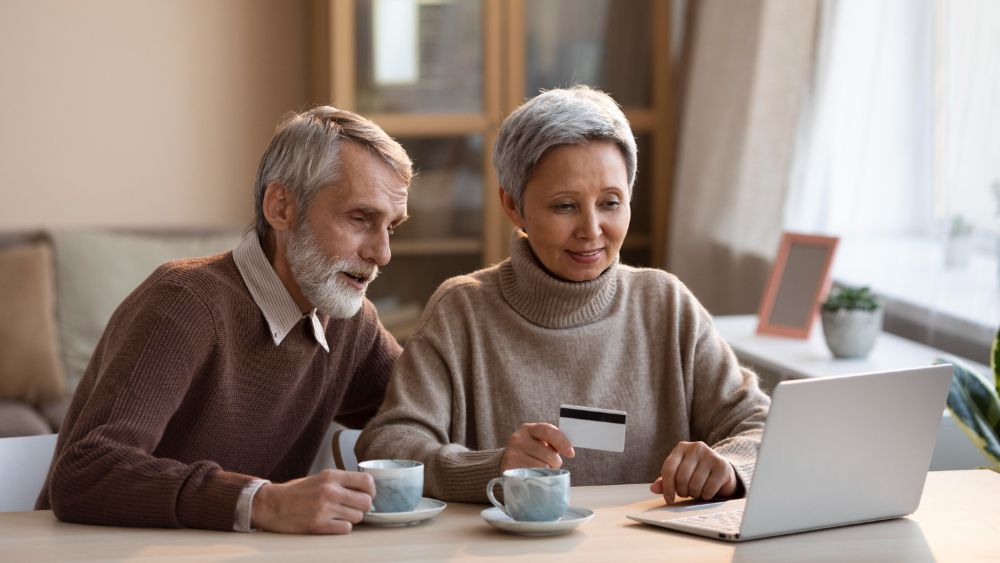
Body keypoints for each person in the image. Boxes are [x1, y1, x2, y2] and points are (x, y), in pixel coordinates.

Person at [357, 86, 770, 506]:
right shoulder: (462, 310)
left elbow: (760, 424)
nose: (591, 230)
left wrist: (728, 465)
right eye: (565, 206)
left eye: (610, 202)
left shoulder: (666, 305)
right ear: (513, 205)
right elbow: (389, 444)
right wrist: (492, 467)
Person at [36, 106, 413, 534]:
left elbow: (427, 413)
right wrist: (263, 502)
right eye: (360, 218)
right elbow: (85, 473)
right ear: (281, 207)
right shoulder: (183, 302)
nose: (381, 253)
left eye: (392, 228)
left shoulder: (350, 321)